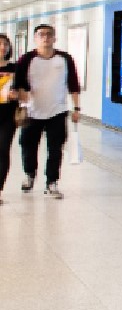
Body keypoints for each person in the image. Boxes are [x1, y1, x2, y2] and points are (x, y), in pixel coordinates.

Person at [12, 24, 82, 198]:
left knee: (55, 148)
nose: (45, 37)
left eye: (49, 34)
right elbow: (18, 83)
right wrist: (21, 96)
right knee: (27, 145)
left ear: (54, 38)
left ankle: (52, 182)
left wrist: (76, 108)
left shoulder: (64, 59)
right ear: (35, 38)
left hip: (57, 111)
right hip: (32, 111)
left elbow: (73, 84)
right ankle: (29, 174)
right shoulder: (27, 59)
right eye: (41, 34)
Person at [0, 36, 16, 204]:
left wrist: (16, 95)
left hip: (7, 118)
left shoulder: (14, 68)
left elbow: (24, 90)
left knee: (3, 151)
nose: (3, 47)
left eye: (5, 44)